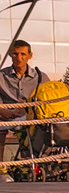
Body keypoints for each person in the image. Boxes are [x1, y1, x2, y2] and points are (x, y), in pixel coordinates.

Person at [0, 39, 54, 178]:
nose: (19, 58)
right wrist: (4, 111)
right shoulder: (1, 76)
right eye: (15, 54)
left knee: (47, 125)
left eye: (23, 54)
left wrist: (26, 110)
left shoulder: (40, 77)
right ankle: (1, 169)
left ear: (30, 56)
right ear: (11, 55)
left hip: (30, 116)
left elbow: (45, 100)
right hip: (4, 116)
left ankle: (38, 164)